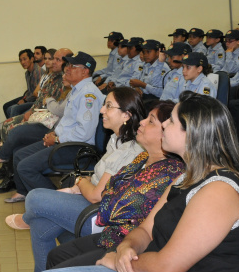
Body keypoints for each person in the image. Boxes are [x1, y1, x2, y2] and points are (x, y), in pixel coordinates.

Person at [58, 91, 239, 272]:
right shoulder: (187, 177)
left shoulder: (219, 191)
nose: (163, 125)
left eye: (170, 121)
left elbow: (168, 266)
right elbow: (146, 229)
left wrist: (121, 261)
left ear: (192, 134)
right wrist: (127, 247)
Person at [42, 102, 184, 271]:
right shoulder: (143, 158)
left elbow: (112, 209)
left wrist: (94, 187)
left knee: (37, 201)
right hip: (113, 234)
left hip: (132, 246)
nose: (142, 122)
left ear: (166, 132)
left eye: (151, 121)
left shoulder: (169, 171)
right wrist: (112, 194)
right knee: (54, 255)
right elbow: (110, 187)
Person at [2, 52, 105, 202]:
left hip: (77, 148)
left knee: (26, 167)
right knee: (19, 154)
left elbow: (84, 132)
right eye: (68, 65)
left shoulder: (88, 94)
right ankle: (25, 192)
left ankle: (57, 202)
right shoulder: (76, 90)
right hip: (64, 141)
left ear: (85, 71)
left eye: (72, 66)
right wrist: (52, 134)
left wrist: (57, 139)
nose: (67, 69)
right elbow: (67, 122)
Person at [0, 49, 71, 183]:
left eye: (56, 59)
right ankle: (8, 170)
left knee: (13, 129)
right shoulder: (51, 77)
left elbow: (53, 106)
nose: (50, 62)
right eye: (50, 59)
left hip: (48, 122)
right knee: (7, 125)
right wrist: (31, 111)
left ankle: (8, 170)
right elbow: (40, 98)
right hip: (40, 114)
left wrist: (34, 110)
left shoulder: (65, 80)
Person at [3, 49, 43, 119]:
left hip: (36, 101)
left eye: (24, 59)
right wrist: (24, 98)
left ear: (32, 59)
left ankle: (14, 127)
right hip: (29, 97)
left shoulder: (38, 72)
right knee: (6, 106)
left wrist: (25, 100)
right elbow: (29, 90)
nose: (22, 62)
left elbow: (36, 93)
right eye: (20, 60)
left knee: (13, 109)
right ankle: (10, 126)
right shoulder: (27, 73)